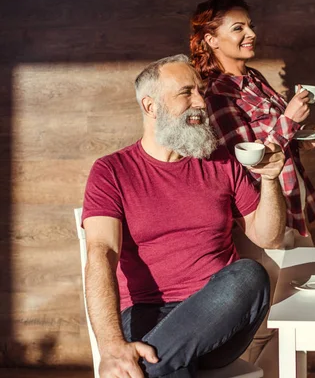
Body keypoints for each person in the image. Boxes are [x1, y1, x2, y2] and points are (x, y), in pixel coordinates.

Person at [81, 54, 287, 378]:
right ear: (150, 107)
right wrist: (111, 346)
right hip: (147, 315)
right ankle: (157, 367)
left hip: (219, 316)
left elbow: (270, 237)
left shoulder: (220, 161)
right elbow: (101, 252)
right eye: (186, 92)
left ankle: (144, 369)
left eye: (200, 91)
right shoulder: (112, 171)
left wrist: (272, 179)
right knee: (173, 363)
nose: (201, 102)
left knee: (250, 274)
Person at [189, 0, 315, 376]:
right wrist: (288, 121)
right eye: (239, 28)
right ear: (211, 38)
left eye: (249, 25)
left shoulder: (252, 78)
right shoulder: (215, 90)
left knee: (300, 325)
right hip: (260, 219)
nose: (251, 33)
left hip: (291, 210)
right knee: (268, 327)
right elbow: (244, 161)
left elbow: (270, 141)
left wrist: (297, 136)